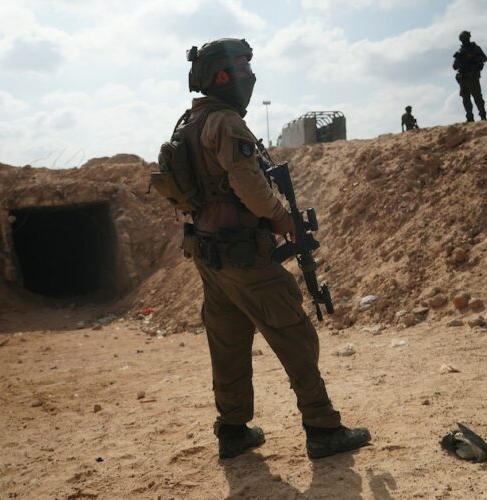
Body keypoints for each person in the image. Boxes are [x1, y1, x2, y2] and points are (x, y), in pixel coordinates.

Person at [178, 38, 371, 459]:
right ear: (222, 75)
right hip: (245, 256)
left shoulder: (188, 124)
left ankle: (232, 430)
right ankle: (323, 428)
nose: (250, 74)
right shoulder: (226, 122)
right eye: (243, 67)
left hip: (210, 256)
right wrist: (286, 222)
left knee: (227, 345)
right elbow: (251, 186)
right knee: (295, 336)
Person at [453, 31, 487, 122]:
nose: (464, 41)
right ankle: (469, 117)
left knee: (477, 97)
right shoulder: (460, 51)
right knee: (465, 98)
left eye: (465, 39)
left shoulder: (475, 48)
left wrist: (472, 57)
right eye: (463, 40)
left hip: (472, 76)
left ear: (468, 38)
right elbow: (454, 67)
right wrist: (459, 59)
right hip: (463, 77)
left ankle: (482, 115)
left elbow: (484, 58)